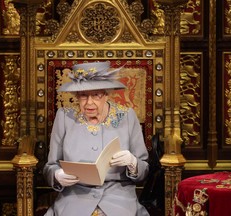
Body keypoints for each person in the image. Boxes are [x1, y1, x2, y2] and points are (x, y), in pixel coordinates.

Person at [43, 61, 150, 216]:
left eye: (96, 95)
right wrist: (57, 175)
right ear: (76, 96)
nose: (89, 102)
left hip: (118, 197)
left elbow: (144, 169)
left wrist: (133, 163)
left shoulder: (127, 116)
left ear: (107, 94)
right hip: (75, 197)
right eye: (83, 96)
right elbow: (50, 166)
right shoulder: (65, 116)